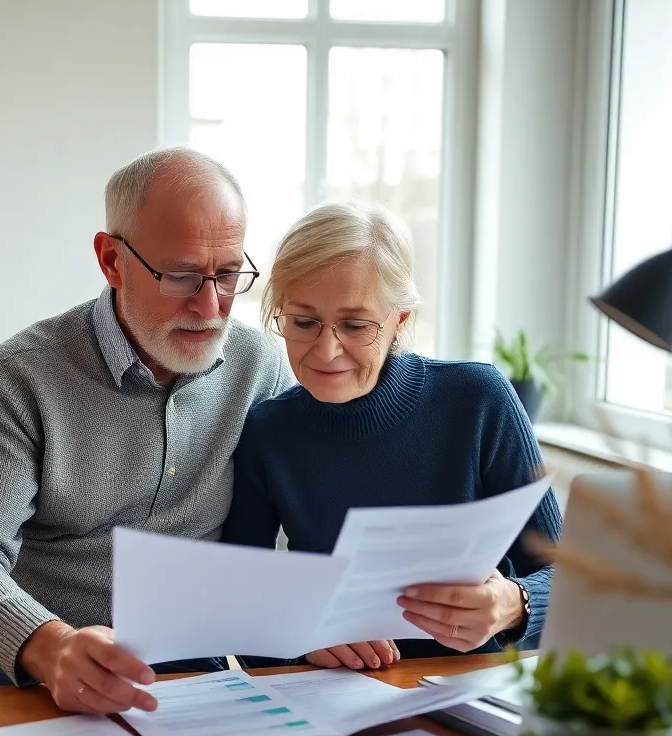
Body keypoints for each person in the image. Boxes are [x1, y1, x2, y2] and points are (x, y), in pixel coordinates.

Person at [0, 148, 291, 712]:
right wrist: (50, 646)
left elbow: (299, 527)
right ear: (112, 261)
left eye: (228, 274)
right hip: (28, 655)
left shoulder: (259, 368)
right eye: (182, 276)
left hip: (179, 657)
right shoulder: (22, 374)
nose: (211, 306)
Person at [223, 201, 561, 670]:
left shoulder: (478, 400)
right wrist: (297, 638)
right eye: (303, 322)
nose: (326, 350)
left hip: (473, 688)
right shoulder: (268, 431)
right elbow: (240, 604)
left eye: (355, 325)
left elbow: (572, 580)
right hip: (334, 694)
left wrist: (513, 603)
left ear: (399, 320)